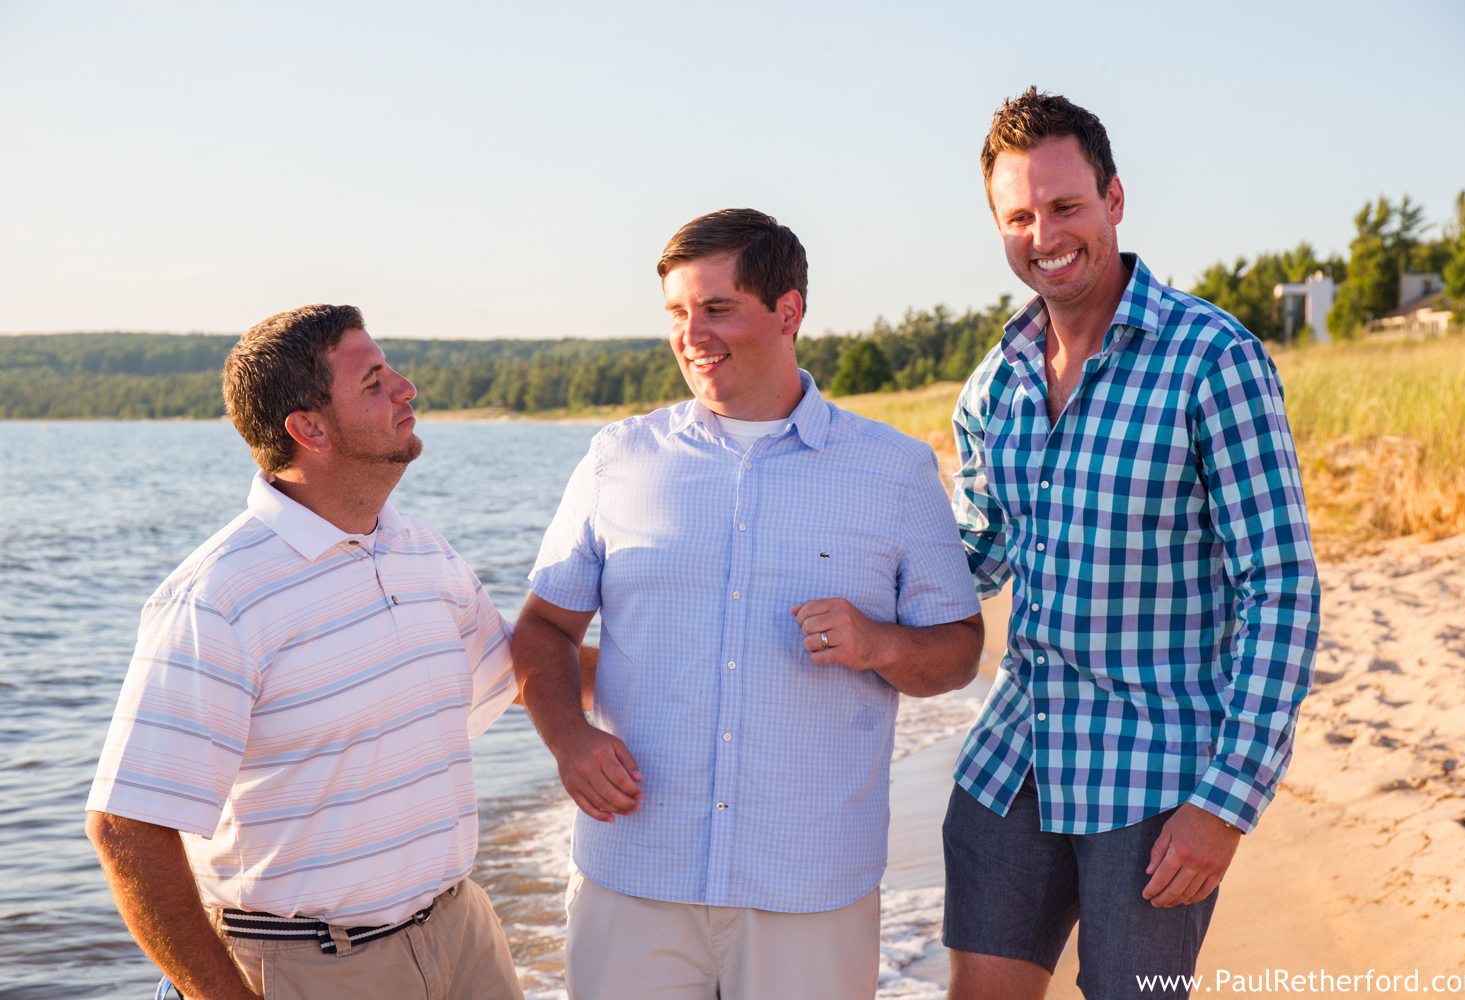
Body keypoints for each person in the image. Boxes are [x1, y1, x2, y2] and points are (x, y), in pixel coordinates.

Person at [512, 208, 985, 1000]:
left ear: (788, 311)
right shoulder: (617, 459)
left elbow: (961, 650)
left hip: (811, 887)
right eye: (677, 313)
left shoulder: (895, 472)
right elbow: (542, 630)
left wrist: (879, 645)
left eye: (716, 307)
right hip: (634, 875)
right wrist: (569, 741)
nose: (691, 333)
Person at [944, 88, 1321, 999]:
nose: (1046, 234)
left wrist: (1227, 804)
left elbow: (1280, 589)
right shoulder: (997, 383)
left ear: (1113, 200)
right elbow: (976, 556)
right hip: (1014, 764)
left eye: (1066, 206)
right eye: (1019, 216)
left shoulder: (1212, 358)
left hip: (1156, 782)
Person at [86, 305, 526, 1000]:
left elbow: (524, 671)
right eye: (375, 381)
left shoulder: (417, 549)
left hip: (462, 934)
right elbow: (126, 828)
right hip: (312, 967)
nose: (406, 388)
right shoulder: (221, 597)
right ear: (309, 428)